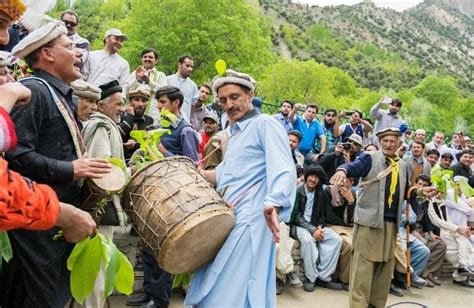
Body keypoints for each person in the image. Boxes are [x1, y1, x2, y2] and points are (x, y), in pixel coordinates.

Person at [2, 15, 111, 307]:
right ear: (48, 54)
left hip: (55, 223)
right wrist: (71, 168)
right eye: (70, 46)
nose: (79, 53)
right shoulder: (35, 91)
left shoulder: (62, 96)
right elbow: (15, 156)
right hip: (35, 228)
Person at [184, 69, 296, 307]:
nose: (229, 104)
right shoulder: (232, 134)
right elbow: (225, 175)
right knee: (220, 283)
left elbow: (284, 167)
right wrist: (193, 173)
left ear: (250, 95)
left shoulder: (266, 123)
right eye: (223, 100)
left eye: (235, 97)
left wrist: (274, 202)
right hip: (230, 217)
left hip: (252, 219)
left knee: (233, 287)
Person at [330, 127, 408, 308]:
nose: (388, 144)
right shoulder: (370, 158)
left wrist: (420, 192)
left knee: (384, 271)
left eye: (392, 141)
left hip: (390, 224)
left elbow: (405, 192)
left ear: (398, 143)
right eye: (385, 141)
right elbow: (352, 167)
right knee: (362, 271)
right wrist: (342, 170)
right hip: (369, 222)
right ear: (381, 142)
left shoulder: (402, 165)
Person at [79, 80, 128, 307]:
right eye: (118, 103)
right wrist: (128, 173)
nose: (122, 108)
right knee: (95, 269)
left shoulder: (106, 125)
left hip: (98, 208)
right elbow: (102, 173)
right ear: (102, 105)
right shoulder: (101, 126)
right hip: (97, 208)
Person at [289, 164, 343, 292]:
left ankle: (324, 276)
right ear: (307, 176)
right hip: (299, 226)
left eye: (316, 177)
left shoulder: (320, 193)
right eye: (311, 176)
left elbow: (322, 215)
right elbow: (296, 216)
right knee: (308, 241)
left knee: (336, 239)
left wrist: (319, 227)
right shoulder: (297, 191)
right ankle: (311, 278)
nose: (313, 179)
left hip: (314, 226)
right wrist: (312, 230)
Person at [428, 177, 474, 287]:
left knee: (466, 243)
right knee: (456, 250)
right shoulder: (432, 201)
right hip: (438, 231)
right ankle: (461, 272)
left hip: (453, 229)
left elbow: (447, 219)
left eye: (441, 191)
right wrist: (457, 229)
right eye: (437, 191)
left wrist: (460, 229)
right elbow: (437, 221)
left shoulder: (442, 201)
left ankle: (462, 272)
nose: (439, 193)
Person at [407, 175, 447, 286]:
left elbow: (428, 218)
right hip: (410, 229)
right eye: (419, 184)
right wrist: (413, 230)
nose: (422, 187)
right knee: (423, 244)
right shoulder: (410, 196)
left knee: (440, 244)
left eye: (425, 185)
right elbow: (407, 216)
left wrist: (430, 232)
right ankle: (421, 275)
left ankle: (429, 273)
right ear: (415, 184)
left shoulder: (426, 200)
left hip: (422, 230)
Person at [322, 176, 356, 289]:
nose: (342, 183)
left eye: (346, 181)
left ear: (351, 183)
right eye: (341, 180)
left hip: (347, 226)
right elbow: (329, 217)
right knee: (349, 245)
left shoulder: (352, 195)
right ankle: (344, 279)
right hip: (333, 225)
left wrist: (350, 202)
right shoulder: (328, 192)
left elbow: (352, 219)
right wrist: (346, 224)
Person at [155, 86, 200, 162]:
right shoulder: (159, 126)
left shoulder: (186, 131)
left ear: (176, 103)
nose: (158, 106)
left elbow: (191, 163)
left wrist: (164, 152)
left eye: (162, 102)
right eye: (158, 102)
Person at [127, 48, 167, 124]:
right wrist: (136, 79)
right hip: (133, 115)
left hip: (153, 116)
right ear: (141, 59)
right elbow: (126, 90)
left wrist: (149, 81)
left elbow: (164, 92)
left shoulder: (160, 75)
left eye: (150, 57)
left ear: (156, 61)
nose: (147, 59)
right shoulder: (135, 73)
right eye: (145, 57)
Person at [118, 84, 154, 160]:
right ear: (130, 102)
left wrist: (135, 143)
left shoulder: (149, 120)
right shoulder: (119, 117)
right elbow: (117, 135)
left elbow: (149, 143)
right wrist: (130, 117)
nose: (140, 104)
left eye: (143, 101)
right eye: (136, 100)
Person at [165, 55, 198, 123]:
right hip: (167, 120)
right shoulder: (167, 80)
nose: (190, 69)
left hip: (184, 122)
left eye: (191, 67)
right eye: (187, 66)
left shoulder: (193, 86)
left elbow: (193, 105)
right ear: (179, 65)